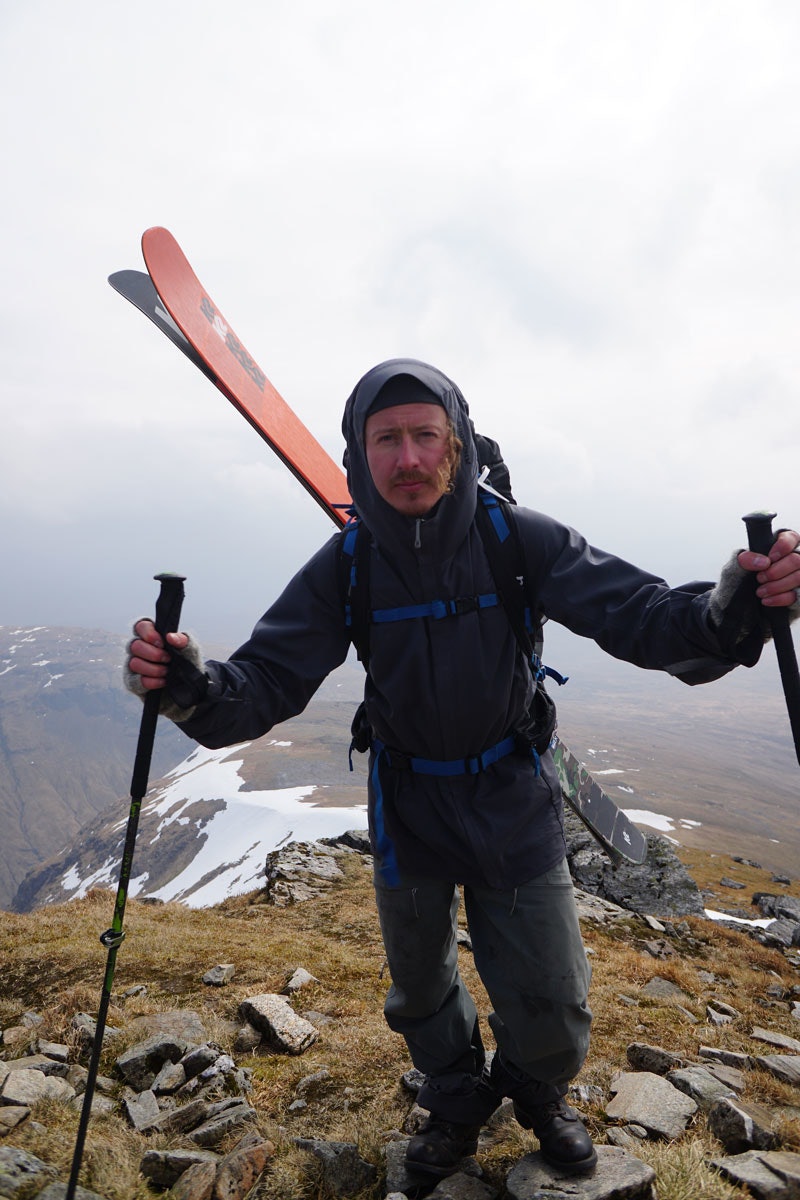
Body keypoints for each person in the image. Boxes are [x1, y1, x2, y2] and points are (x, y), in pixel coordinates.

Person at [125, 359, 800, 1180]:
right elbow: (266, 680)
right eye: (386, 439)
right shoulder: (347, 564)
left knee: (554, 994)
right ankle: (453, 1097)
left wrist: (732, 612)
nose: (408, 457)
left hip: (511, 790)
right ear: (358, 453)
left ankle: (534, 1087)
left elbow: (645, 617)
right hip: (408, 799)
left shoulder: (518, 539)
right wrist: (192, 688)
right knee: (419, 987)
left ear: (458, 445)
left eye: (426, 435)